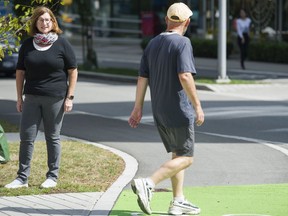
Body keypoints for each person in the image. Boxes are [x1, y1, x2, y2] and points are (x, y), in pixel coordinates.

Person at [128, 2, 204, 215]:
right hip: (179, 109)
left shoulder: (152, 43)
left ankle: (178, 201)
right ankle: (149, 183)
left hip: (159, 110)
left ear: (166, 20)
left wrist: (137, 108)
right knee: (187, 158)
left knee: (178, 154)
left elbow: (143, 77)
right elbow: (185, 75)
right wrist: (198, 106)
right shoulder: (183, 43)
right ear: (187, 22)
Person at [4, 6, 78, 189]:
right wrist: (19, 97)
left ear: (53, 22)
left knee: (52, 137)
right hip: (31, 97)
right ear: (35, 23)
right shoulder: (28, 45)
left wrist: (70, 97)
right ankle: (22, 178)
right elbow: (20, 72)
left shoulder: (62, 44)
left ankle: (52, 176)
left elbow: (73, 71)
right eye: (41, 20)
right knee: (26, 137)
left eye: (48, 20)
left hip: (55, 98)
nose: (45, 23)